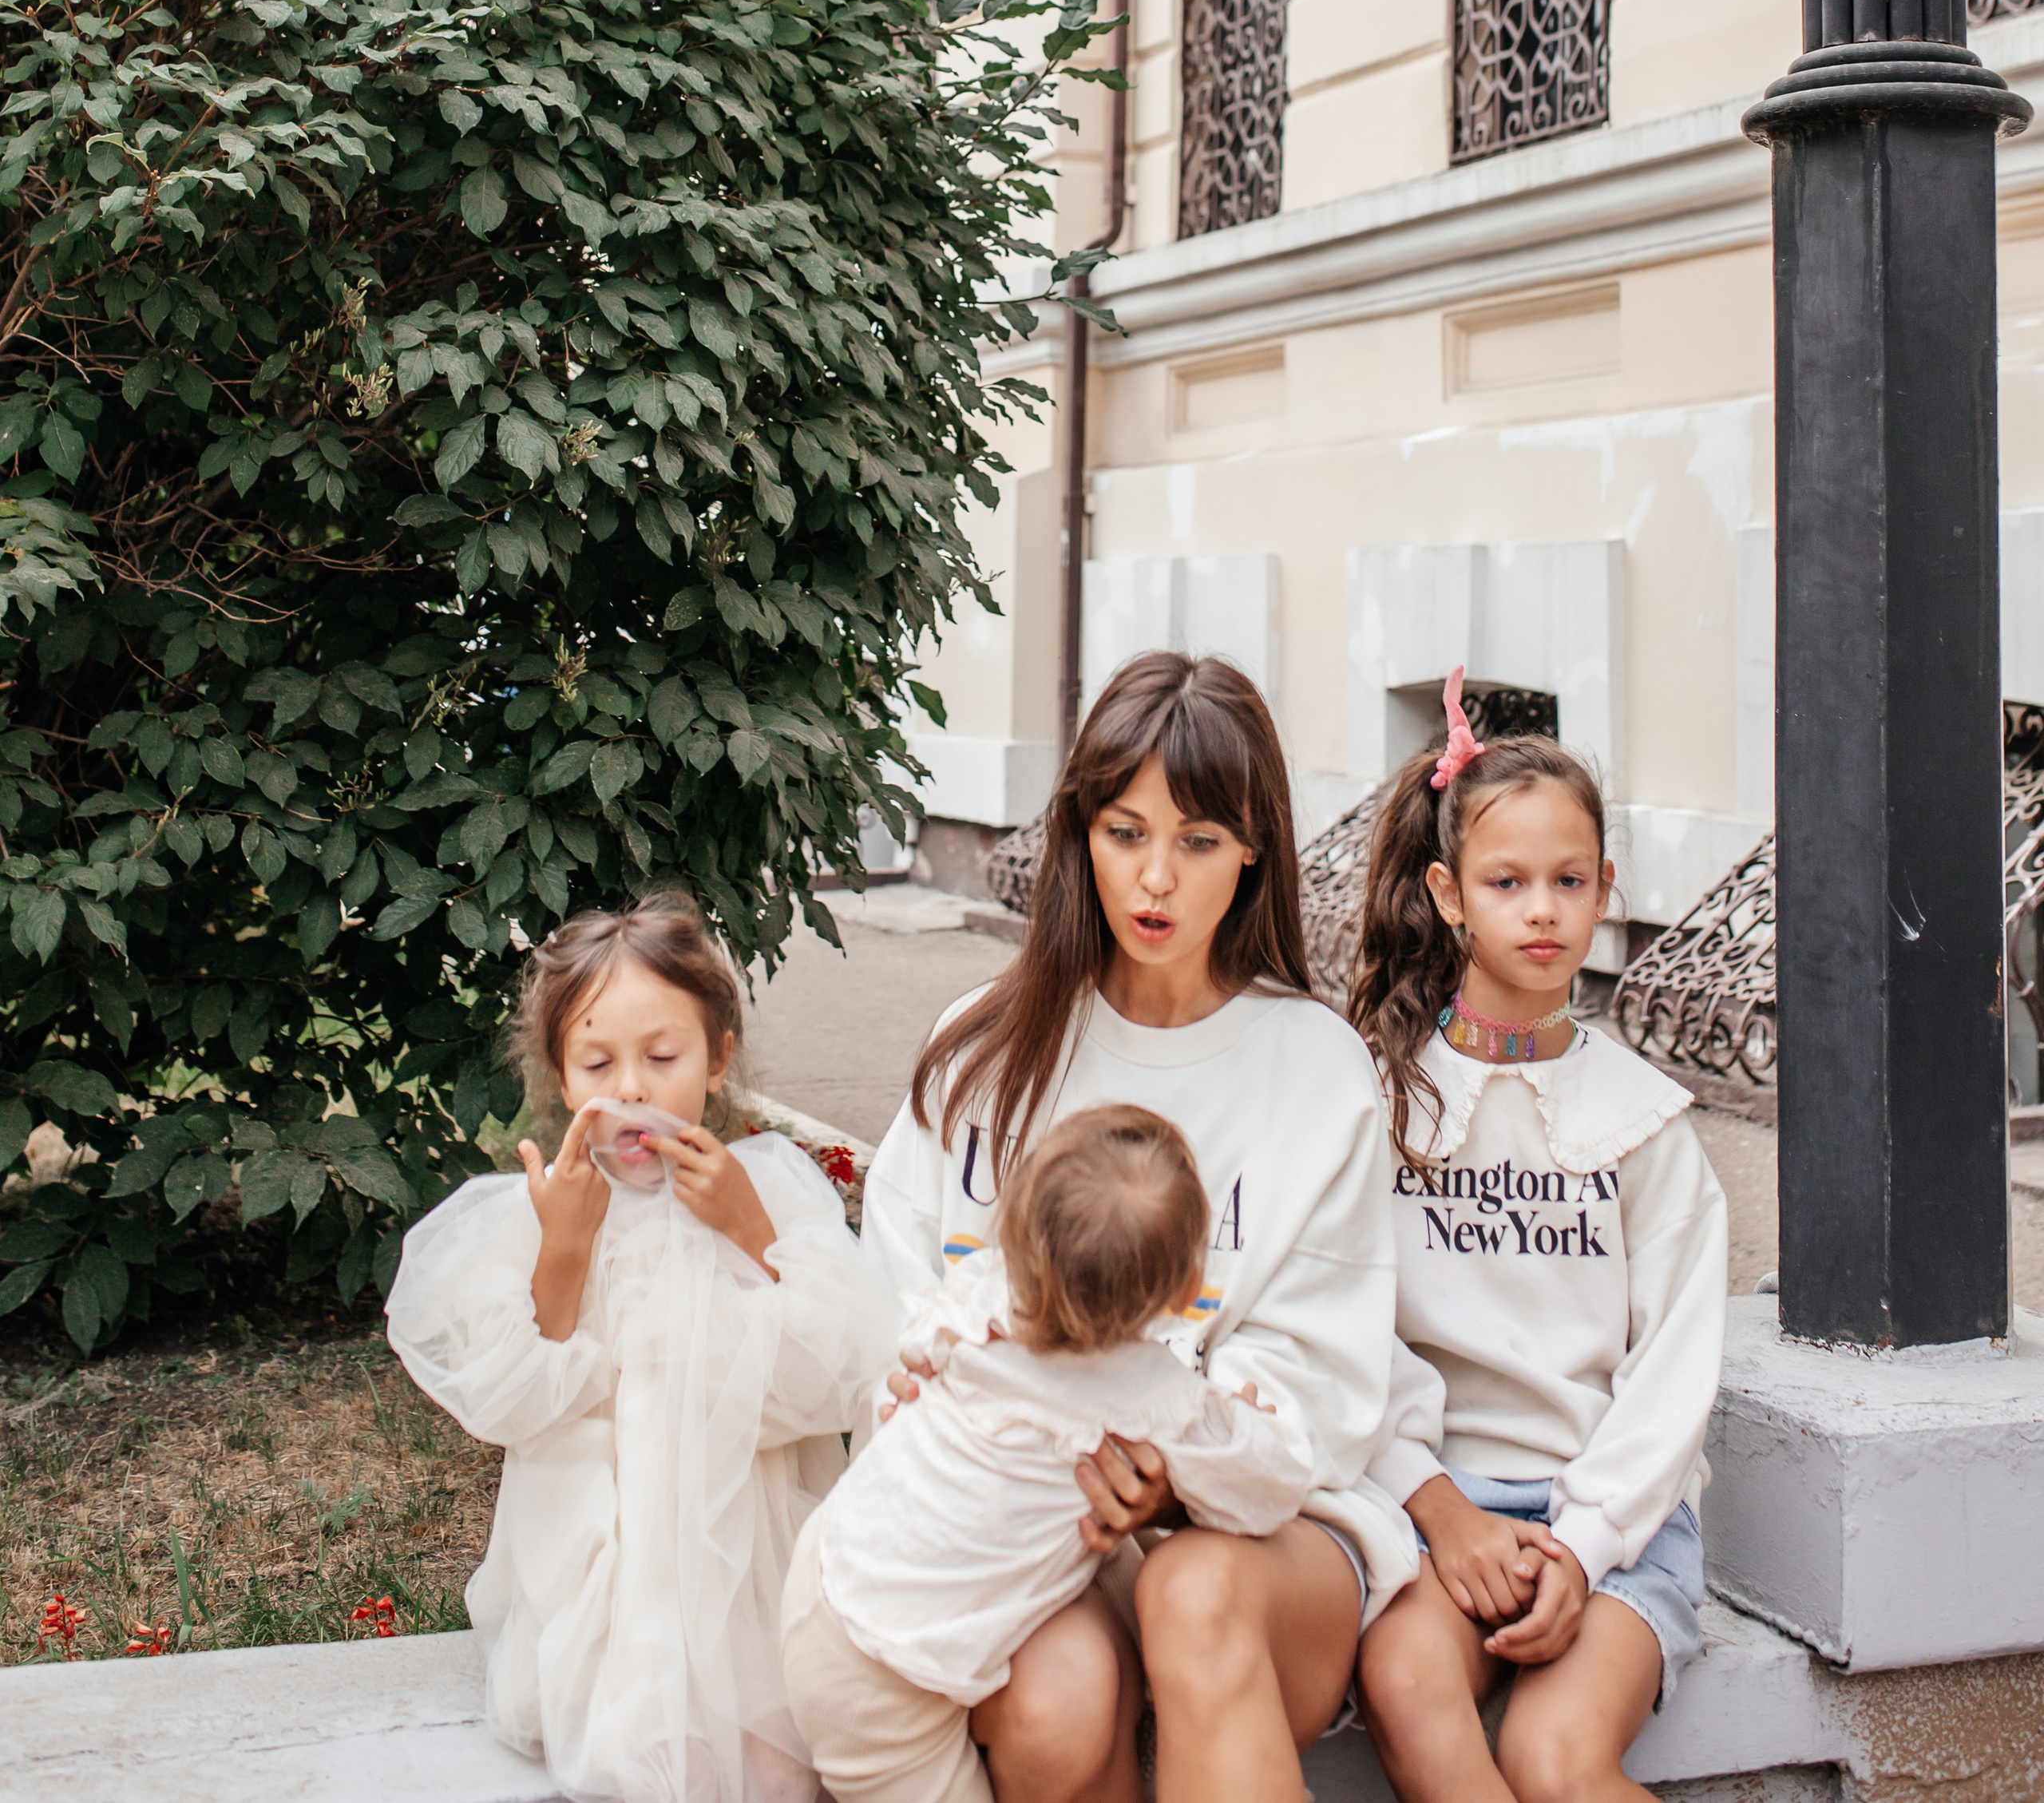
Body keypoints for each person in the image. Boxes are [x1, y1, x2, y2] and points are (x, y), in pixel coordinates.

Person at [862, 651, 1418, 1803]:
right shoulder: (983, 1051)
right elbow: (899, 1294)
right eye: (1125, 832)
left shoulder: (1314, 1068)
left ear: (1255, 846)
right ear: (1079, 831)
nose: (1156, 877)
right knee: (1052, 1702)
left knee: (1190, 1591)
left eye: (1200, 842)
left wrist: (1172, 1465)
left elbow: (1317, 1375)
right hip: (1017, 1521)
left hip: (1268, 1538)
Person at [386, 896, 894, 1803]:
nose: (631, 1089)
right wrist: (567, 1248)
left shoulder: (770, 1188)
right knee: (661, 1769)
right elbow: (514, 1403)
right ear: (558, 1073)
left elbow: (834, 1381)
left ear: (718, 1057)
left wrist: (749, 1233)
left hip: (751, 1575)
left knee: (784, 1773)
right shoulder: (537, 1216)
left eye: (663, 1058)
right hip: (607, 1591)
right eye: (597, 1061)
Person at [1349, 672, 1729, 1803]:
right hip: (1434, 1508)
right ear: (1449, 893)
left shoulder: (1649, 1125)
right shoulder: (1379, 1104)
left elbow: (1674, 1374)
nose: (1544, 910)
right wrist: (1441, 1509)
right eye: (1508, 882)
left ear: (1608, 889)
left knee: (1552, 1759)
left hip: (1613, 1519)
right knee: (1409, 1681)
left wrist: (1587, 1543)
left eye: (1570, 882)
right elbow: (1344, 1330)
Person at [783, 1104, 1320, 1803]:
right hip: (886, 1681)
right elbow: (1271, 1487)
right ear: (1191, 1294)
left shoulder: (982, 1297)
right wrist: (1247, 1420)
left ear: (1012, 1233)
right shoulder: (1150, 1400)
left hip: (833, 1571)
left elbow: (918, 1352)